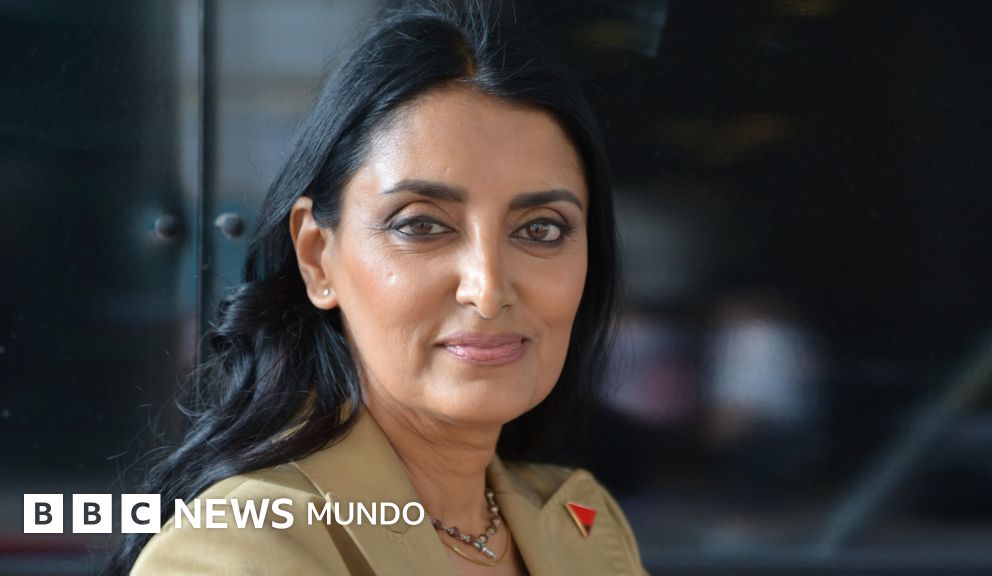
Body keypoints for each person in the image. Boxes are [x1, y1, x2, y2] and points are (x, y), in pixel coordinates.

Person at [109, 1, 647, 574]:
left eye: (541, 229)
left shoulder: (582, 527)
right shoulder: (240, 552)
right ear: (317, 258)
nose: (487, 290)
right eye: (421, 226)